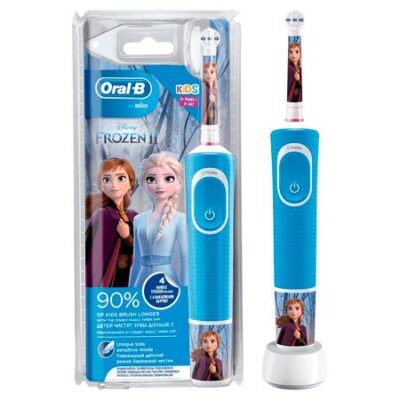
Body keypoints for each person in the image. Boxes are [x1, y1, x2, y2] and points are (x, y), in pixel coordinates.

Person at [128, 152, 188, 287]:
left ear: (179, 183)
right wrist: (130, 291)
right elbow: (136, 261)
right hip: (141, 282)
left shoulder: (180, 219)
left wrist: (186, 291)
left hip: (167, 283)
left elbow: (185, 259)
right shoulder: (138, 219)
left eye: (168, 178)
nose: (160, 185)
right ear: (143, 184)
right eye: (151, 179)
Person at [85, 158, 137, 287]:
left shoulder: (134, 216)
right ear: (101, 186)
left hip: (131, 276)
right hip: (112, 278)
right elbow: (92, 256)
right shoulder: (103, 215)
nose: (114, 185)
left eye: (121, 178)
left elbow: (144, 251)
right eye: (107, 180)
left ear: (130, 183)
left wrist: (127, 237)